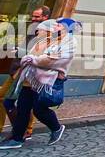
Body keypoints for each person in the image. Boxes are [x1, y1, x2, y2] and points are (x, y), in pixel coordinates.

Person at [1, 18, 74, 149]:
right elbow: (30, 56)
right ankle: (17, 138)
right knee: (23, 109)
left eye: (39, 30)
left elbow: (51, 60)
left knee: (39, 111)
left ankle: (56, 128)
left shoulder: (60, 43)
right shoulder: (39, 42)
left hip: (44, 82)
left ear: (48, 31)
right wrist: (27, 57)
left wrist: (32, 59)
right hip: (28, 81)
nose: (36, 32)